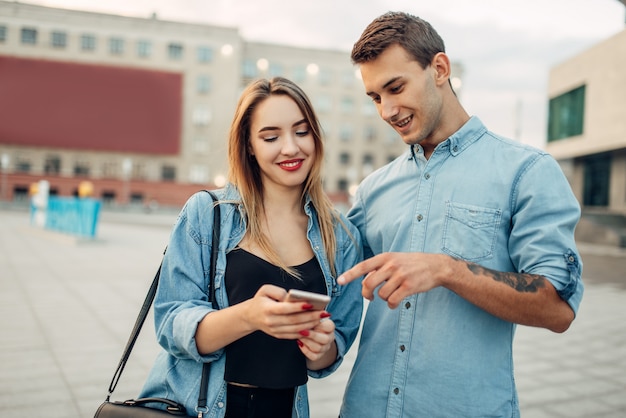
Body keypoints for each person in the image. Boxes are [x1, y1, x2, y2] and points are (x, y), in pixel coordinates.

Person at [337, 11, 584, 417]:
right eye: (376, 97)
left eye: (395, 87)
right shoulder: (372, 189)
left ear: (439, 68)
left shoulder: (526, 172)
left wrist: (447, 270)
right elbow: (332, 275)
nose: (387, 110)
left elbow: (558, 308)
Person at [139, 76, 363, 418]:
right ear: (249, 145)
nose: (290, 148)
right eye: (271, 136)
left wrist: (322, 348)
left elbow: (332, 351)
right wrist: (249, 316)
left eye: (301, 132)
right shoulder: (208, 214)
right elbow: (171, 323)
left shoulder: (342, 237)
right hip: (202, 408)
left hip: (285, 408)